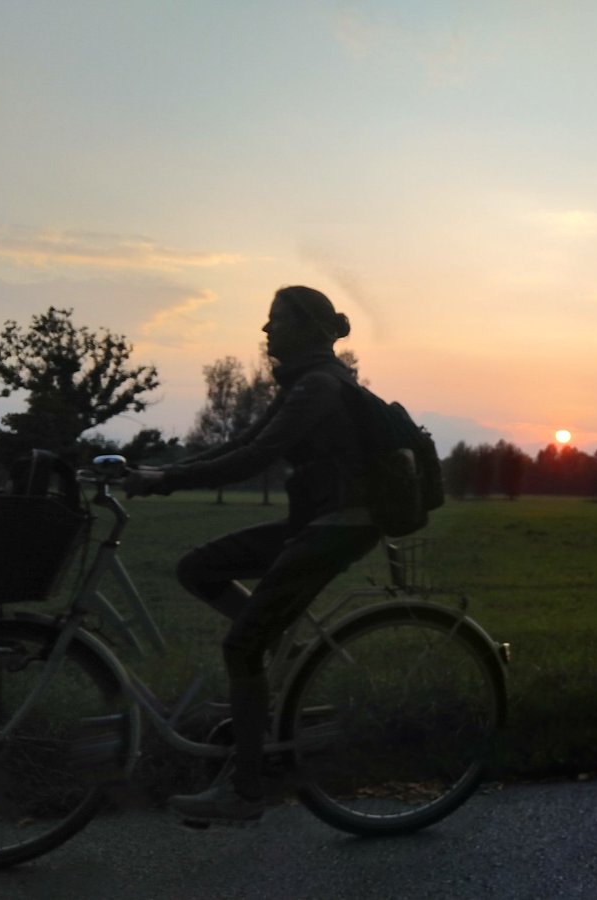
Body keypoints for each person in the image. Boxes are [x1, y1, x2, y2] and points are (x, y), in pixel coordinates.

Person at [125, 285, 381, 824]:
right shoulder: (302, 384)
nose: (266, 331)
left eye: (277, 320)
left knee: (241, 646)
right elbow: (240, 445)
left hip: (338, 527)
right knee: (197, 569)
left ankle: (245, 793)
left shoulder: (317, 387)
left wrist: (165, 481)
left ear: (309, 328)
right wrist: (160, 473)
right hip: (312, 523)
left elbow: (254, 459)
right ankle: (272, 644)